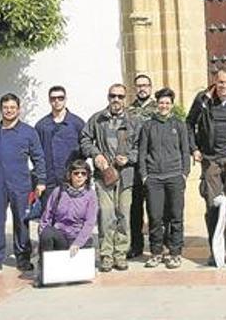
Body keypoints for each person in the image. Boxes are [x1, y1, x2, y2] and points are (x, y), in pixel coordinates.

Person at [0, 93, 47, 275]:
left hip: (21, 184)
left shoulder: (28, 132)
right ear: (0, 110)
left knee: (22, 222)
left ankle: (23, 258)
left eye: (13, 107)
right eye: (6, 107)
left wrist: (41, 181)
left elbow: (38, 158)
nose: (9, 110)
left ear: (18, 109)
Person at [186, 69, 226, 266]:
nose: (224, 86)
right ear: (215, 82)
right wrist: (194, 148)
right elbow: (189, 124)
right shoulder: (203, 100)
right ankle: (215, 248)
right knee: (212, 205)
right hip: (210, 160)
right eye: (221, 82)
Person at [80, 83, 139, 272]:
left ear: (125, 98)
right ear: (108, 97)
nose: (116, 100)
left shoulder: (134, 121)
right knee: (106, 214)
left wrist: (128, 158)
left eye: (120, 96)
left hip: (126, 176)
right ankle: (106, 255)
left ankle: (120, 254)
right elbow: (85, 139)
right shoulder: (97, 119)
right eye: (113, 96)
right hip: (104, 175)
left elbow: (142, 147)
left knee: (123, 215)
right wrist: (95, 154)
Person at [138, 88, 190, 269]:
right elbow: (142, 152)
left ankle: (175, 253)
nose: (164, 106)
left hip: (175, 176)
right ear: (157, 104)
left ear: (172, 105)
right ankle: (156, 252)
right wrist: (145, 175)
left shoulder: (179, 125)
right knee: (155, 217)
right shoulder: (148, 126)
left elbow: (185, 150)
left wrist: (184, 173)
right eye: (161, 102)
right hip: (154, 179)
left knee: (176, 216)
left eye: (167, 103)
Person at [37, 159, 97, 273]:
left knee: (75, 274)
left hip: (78, 236)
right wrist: (42, 235)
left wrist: (78, 243)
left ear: (87, 177)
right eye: (76, 173)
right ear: (70, 175)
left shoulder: (91, 195)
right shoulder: (58, 192)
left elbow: (90, 222)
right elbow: (47, 215)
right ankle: (44, 273)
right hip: (61, 236)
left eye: (83, 173)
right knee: (46, 233)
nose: (79, 176)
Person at [35, 86, 85, 206]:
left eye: (60, 98)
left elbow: (85, 149)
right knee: (48, 216)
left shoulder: (77, 123)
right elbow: (36, 153)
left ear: (65, 99)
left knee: (73, 216)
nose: (57, 101)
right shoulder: (41, 126)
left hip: (71, 179)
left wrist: (78, 173)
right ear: (49, 100)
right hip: (49, 180)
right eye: (53, 98)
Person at [127, 74, 157, 259]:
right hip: (134, 166)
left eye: (145, 85)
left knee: (156, 209)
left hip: (154, 164)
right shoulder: (128, 110)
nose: (142, 88)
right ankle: (136, 245)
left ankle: (158, 246)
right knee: (135, 208)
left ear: (151, 87)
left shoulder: (160, 107)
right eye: (138, 86)